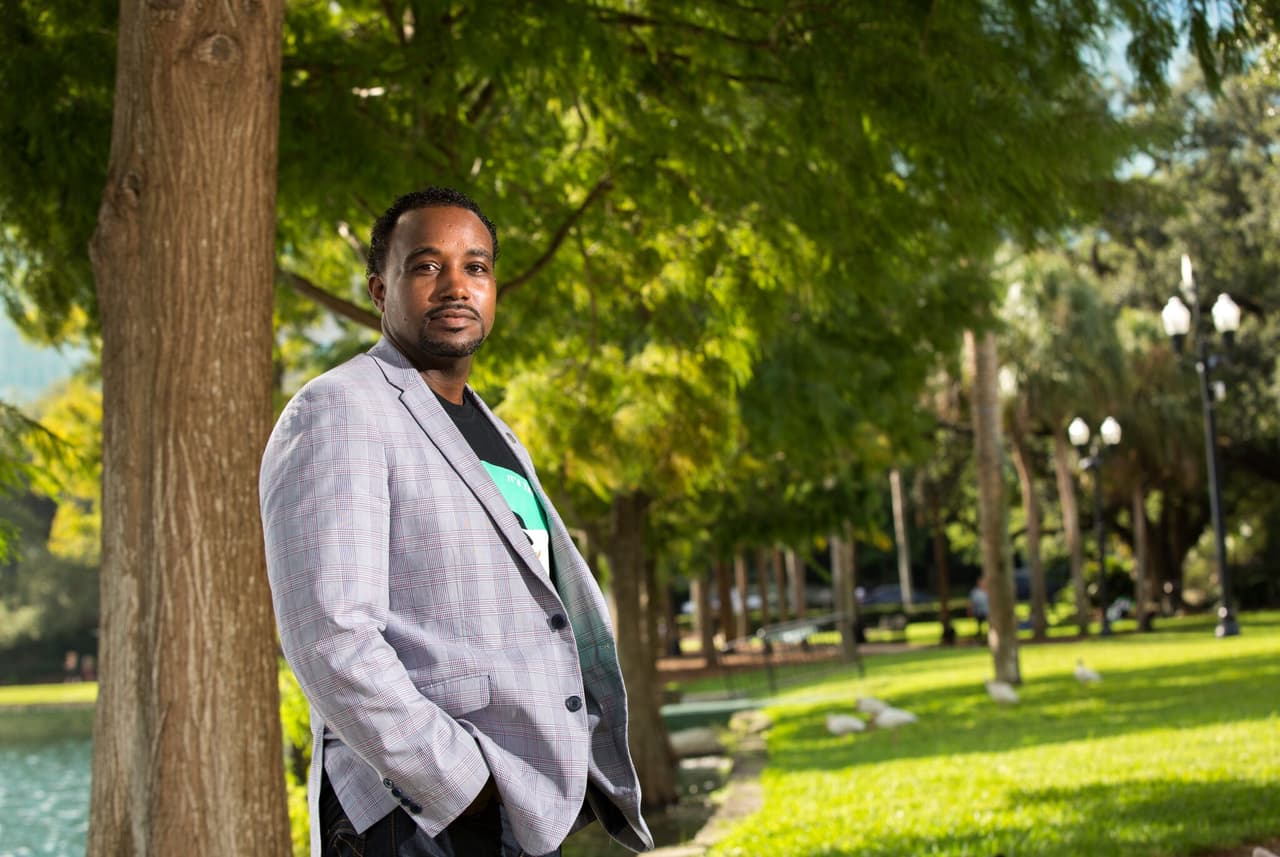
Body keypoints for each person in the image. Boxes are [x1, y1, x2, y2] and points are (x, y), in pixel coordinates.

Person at [260, 187, 653, 857]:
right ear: (381, 290)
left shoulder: (494, 429)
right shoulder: (339, 409)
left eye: (476, 266)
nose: (455, 285)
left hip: (515, 804)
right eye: (426, 265)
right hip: (419, 814)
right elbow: (331, 636)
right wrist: (463, 784)